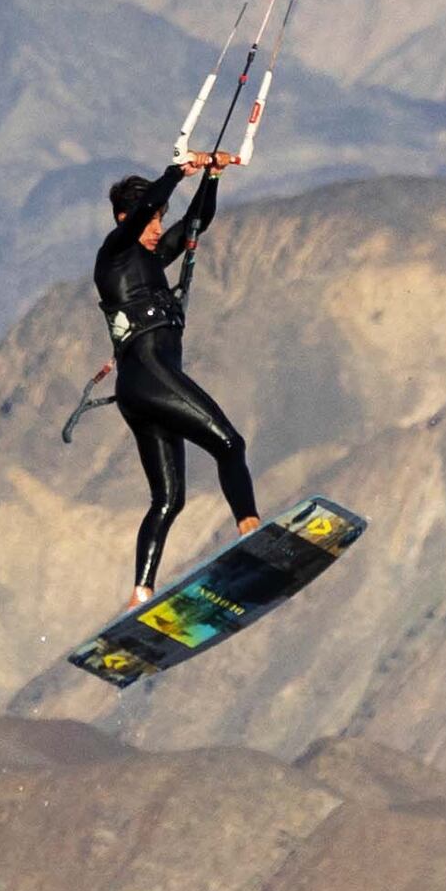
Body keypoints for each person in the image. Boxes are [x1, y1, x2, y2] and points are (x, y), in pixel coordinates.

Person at [93, 156, 259, 600]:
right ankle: (251, 530)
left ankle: (140, 593)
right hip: (149, 377)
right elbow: (147, 209)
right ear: (126, 219)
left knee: (168, 499)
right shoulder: (113, 256)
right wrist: (176, 173)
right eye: (149, 220)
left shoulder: (152, 258)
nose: (155, 229)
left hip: (142, 389)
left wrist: (212, 175)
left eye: (158, 221)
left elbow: (196, 222)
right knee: (230, 444)